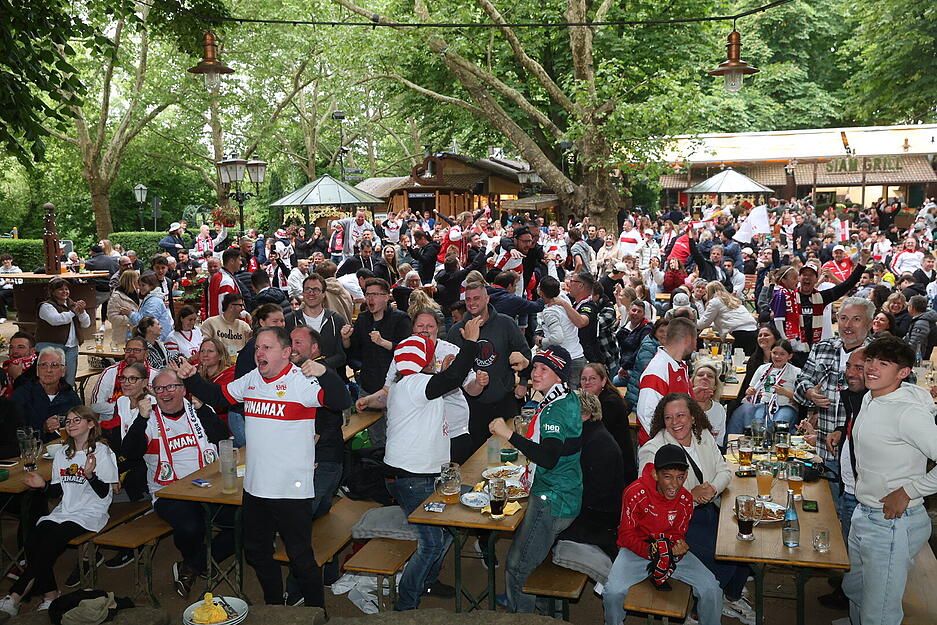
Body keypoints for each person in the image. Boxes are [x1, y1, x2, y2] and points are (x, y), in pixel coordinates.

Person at [173, 327, 351, 608]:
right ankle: (274, 606)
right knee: (255, 551)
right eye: (257, 348)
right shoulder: (252, 379)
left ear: (286, 352)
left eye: (267, 348)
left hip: (291, 489)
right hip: (256, 487)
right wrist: (192, 378)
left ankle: (316, 611)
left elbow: (342, 401)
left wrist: (324, 373)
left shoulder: (300, 382)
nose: (259, 353)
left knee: (299, 556)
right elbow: (219, 397)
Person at [382, 319, 482, 610]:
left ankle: (424, 579)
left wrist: (445, 368)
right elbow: (450, 380)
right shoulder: (417, 385)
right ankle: (406, 603)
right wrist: (471, 344)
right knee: (432, 543)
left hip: (423, 475)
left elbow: (442, 379)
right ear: (423, 360)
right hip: (411, 478)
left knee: (447, 530)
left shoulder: (407, 384)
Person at [841, 336, 937, 625]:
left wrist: (909, 491)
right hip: (864, 513)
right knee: (854, 590)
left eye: (884, 364)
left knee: (879, 613)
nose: (871, 368)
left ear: (903, 373)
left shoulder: (908, 412)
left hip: (891, 522)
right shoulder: (871, 397)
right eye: (870, 360)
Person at [639, 393, 752, 623]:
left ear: (693, 417)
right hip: (676, 523)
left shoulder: (703, 436)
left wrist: (712, 489)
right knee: (726, 556)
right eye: (668, 417)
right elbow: (652, 499)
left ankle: (729, 596)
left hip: (709, 509)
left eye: (681, 415)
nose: (675, 422)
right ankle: (699, 612)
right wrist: (690, 497)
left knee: (746, 548)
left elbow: (724, 470)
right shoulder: (653, 450)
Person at [488, 346, 583, 613]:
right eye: (536, 367)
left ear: (559, 376)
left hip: (553, 500)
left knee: (517, 566)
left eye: (544, 369)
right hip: (565, 492)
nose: (536, 372)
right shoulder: (566, 397)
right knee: (529, 558)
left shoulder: (555, 410)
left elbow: (549, 457)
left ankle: (521, 614)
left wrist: (509, 434)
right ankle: (541, 608)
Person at [120, 368, 230, 597]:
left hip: (209, 488)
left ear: (183, 389)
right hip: (170, 493)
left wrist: (203, 409)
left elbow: (222, 436)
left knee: (245, 521)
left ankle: (193, 565)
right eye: (159, 388)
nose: (165, 393)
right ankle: (200, 564)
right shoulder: (147, 418)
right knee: (191, 525)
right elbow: (129, 453)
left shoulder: (198, 410)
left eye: (171, 387)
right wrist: (140, 419)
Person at [0, 406, 118, 615]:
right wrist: (42, 486)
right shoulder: (64, 453)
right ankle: (50, 595)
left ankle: (15, 596)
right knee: (35, 537)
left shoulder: (101, 452)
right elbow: (57, 490)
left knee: (50, 540)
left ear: (91, 424)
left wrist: (91, 475)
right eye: (68, 421)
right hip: (66, 509)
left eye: (77, 420)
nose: (70, 424)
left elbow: (103, 494)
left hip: (91, 512)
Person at [602, 443, 723, 625]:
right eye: (667, 477)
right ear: (655, 474)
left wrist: (677, 546)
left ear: (686, 476)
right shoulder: (635, 493)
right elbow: (625, 536)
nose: (674, 484)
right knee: (612, 592)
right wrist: (654, 552)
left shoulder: (685, 500)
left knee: (712, 588)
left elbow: (677, 532)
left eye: (680, 477)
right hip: (635, 551)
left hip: (669, 553)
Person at [794, 297, 874, 505]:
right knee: (828, 512)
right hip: (825, 447)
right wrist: (810, 392)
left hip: (863, 454)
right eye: (844, 318)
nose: (848, 325)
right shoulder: (822, 347)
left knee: (856, 514)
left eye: (856, 319)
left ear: (870, 324)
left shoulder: (880, 353)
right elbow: (801, 382)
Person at [447, 281, 531, 451]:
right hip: (470, 406)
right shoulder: (456, 331)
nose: (472, 303)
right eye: (468, 299)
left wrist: (523, 383)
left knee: (509, 450)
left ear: (487, 299)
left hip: (504, 400)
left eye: (476, 298)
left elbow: (525, 355)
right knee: (475, 455)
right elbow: (448, 370)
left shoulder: (505, 324)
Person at [556, 390, 626, 558]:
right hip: (594, 508)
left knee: (543, 526)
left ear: (585, 415)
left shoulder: (598, 445)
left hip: (599, 518)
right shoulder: (590, 434)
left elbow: (593, 494)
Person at [341, 278, 411, 445]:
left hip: (394, 387)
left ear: (386, 297)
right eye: (367, 294)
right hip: (369, 386)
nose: (370, 299)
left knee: (397, 435)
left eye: (375, 294)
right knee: (376, 435)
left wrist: (383, 342)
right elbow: (354, 352)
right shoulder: (363, 319)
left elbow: (408, 353)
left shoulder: (401, 319)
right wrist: (345, 340)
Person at [635, 317, 696, 445]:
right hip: (660, 455)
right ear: (688, 340)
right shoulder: (657, 371)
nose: (696, 346)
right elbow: (647, 416)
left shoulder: (678, 366)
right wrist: (670, 446)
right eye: (696, 340)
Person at [728, 340, 800, 434]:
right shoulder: (763, 368)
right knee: (758, 423)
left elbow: (801, 397)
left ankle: (778, 446)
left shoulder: (796, 372)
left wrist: (785, 392)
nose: (777, 357)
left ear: (789, 356)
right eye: (774, 353)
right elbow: (749, 389)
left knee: (779, 423)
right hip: (764, 404)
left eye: (782, 354)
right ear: (770, 353)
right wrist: (750, 391)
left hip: (785, 405)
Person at [12, 347, 81, 441]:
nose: (48, 370)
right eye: (43, 365)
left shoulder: (70, 396)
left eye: (54, 365)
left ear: (63, 371)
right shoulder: (22, 395)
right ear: (37, 370)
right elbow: (16, 433)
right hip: (35, 451)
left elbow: (82, 425)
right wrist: (43, 428)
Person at [35, 277, 91, 387]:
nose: (64, 292)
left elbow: (86, 324)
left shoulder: (72, 305)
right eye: (60, 289)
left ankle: (67, 401)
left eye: (66, 289)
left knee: (69, 378)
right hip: (51, 346)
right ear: (52, 291)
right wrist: (74, 312)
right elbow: (57, 320)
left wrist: (82, 311)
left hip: (71, 347)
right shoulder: (45, 306)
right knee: (50, 378)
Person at [580, 363, 636, 471]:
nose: (587, 382)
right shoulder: (591, 400)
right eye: (583, 379)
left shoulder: (610, 403)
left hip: (617, 466)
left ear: (603, 381)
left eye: (592, 378)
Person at [538, 276, 586, 387]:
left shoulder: (550, 312)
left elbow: (557, 338)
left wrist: (541, 341)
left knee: (568, 399)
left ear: (541, 292)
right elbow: (553, 278)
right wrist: (551, 262)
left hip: (566, 361)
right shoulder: (563, 298)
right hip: (578, 356)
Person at [697, 281, 758, 355]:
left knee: (736, 360)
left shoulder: (714, 302)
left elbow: (702, 324)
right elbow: (727, 319)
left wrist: (690, 321)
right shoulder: (732, 300)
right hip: (753, 331)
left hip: (741, 334)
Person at [201, 294, 253, 359]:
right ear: (231, 307)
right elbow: (204, 345)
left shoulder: (244, 325)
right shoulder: (210, 322)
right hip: (218, 362)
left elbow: (249, 349)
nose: (243, 308)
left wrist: (249, 338)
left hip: (239, 362)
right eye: (240, 305)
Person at [127, 274, 173, 343]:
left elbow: (147, 323)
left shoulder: (153, 302)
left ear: (151, 286)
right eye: (140, 285)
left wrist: (130, 314)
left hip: (159, 339)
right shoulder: (151, 299)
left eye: (143, 285)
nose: (140, 288)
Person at [691, 362, 727, 448]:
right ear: (692, 383)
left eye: (710, 376)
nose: (705, 377)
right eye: (700, 375)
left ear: (715, 386)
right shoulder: (684, 406)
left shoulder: (719, 409)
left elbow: (719, 442)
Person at [107, 270, 140, 347]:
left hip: (137, 335)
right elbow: (112, 317)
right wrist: (132, 318)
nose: (139, 282)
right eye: (137, 280)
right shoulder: (116, 297)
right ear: (131, 281)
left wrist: (132, 314)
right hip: (122, 337)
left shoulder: (139, 293)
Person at [2, 331, 38, 398]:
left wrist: (17, 377)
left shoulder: (41, 369)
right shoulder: (5, 369)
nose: (14, 351)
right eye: (11, 347)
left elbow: (35, 399)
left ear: (32, 351)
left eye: (20, 347)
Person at [0, 253, 23, 323]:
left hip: (15, 288)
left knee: (22, 294)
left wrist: (13, 282)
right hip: (4, 289)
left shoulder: (17, 270)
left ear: (11, 260)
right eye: (3, 260)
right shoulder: (0, 270)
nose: (5, 262)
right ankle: (2, 316)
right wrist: (5, 282)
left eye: (7, 260)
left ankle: (19, 316)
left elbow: (21, 281)